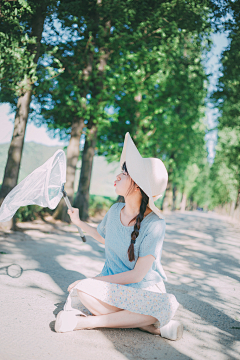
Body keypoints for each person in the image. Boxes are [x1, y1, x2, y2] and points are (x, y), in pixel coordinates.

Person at [55, 132, 183, 341]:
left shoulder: (156, 224)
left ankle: (85, 323)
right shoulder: (115, 210)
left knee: (165, 304)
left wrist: (94, 279)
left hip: (141, 290)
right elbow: (107, 238)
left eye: (123, 174)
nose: (117, 176)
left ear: (137, 184)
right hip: (113, 288)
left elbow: (136, 277)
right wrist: (79, 223)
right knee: (84, 291)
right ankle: (148, 326)